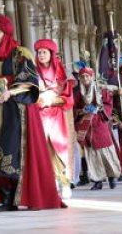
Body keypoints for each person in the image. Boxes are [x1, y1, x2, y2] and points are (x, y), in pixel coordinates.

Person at [0, 15, 63, 211]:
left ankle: (13, 195)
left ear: (6, 32)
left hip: (14, 111)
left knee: (11, 148)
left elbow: (29, 81)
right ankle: (3, 194)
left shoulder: (21, 54)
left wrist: (9, 92)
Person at [33, 38, 74, 195]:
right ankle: (50, 183)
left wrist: (52, 99)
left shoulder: (60, 74)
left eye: (44, 52)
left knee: (59, 149)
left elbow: (68, 97)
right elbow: (29, 94)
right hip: (40, 116)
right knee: (44, 149)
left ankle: (65, 183)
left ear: (51, 54)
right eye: (39, 52)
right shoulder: (33, 73)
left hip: (58, 117)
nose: (41, 55)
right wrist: (39, 100)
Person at [72, 66, 122, 190]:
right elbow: (73, 108)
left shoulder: (101, 90)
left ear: (92, 77)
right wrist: (81, 111)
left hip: (99, 123)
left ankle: (112, 177)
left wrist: (100, 108)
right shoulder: (77, 93)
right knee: (92, 153)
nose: (85, 79)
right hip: (86, 125)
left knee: (106, 151)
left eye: (87, 76)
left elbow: (109, 104)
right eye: (82, 77)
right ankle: (97, 180)